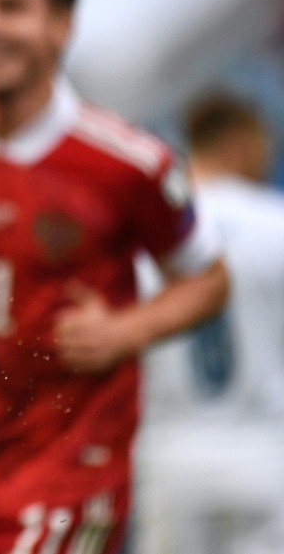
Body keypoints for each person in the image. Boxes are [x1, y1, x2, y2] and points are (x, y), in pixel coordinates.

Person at [0, 0, 230, 554]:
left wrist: (124, 332)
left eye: (11, 7)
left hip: (67, 469)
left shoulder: (126, 163)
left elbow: (207, 278)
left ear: (61, 25)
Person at [136, 92, 284, 554]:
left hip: (170, 458)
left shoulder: (148, 236)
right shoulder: (276, 223)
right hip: (266, 454)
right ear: (240, 144)